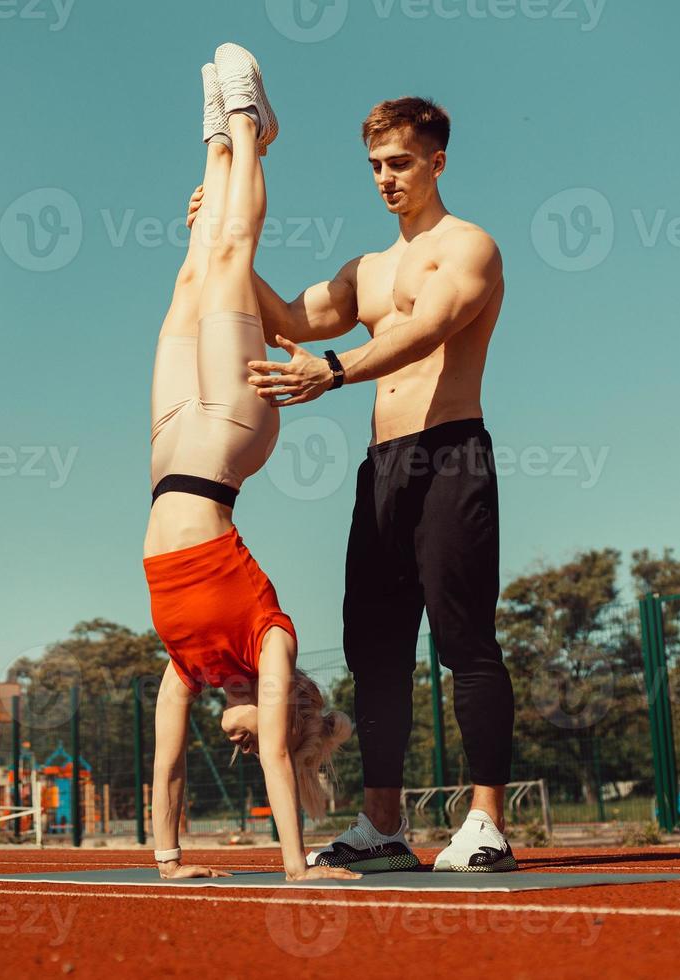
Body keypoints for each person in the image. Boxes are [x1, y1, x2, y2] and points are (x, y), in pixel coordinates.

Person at [223, 95, 516, 872]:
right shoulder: (368, 270)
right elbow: (288, 314)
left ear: (436, 161)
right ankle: (382, 825)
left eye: (401, 163)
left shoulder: (469, 248)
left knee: (465, 642)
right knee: (376, 652)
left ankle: (485, 821)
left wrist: (336, 369)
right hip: (382, 470)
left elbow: (429, 328)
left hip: (449, 455)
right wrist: (224, 241)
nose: (386, 179)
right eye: (376, 166)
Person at [145, 43, 355, 883]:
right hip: (228, 445)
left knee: (195, 267)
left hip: (165, 455)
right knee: (232, 256)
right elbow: (275, 756)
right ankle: (244, 117)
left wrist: (167, 859)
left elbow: (163, 766)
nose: (238, 744)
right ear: (294, 708)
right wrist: (299, 868)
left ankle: (219, 142)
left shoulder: (189, 664)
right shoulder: (273, 642)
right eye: (267, 727)